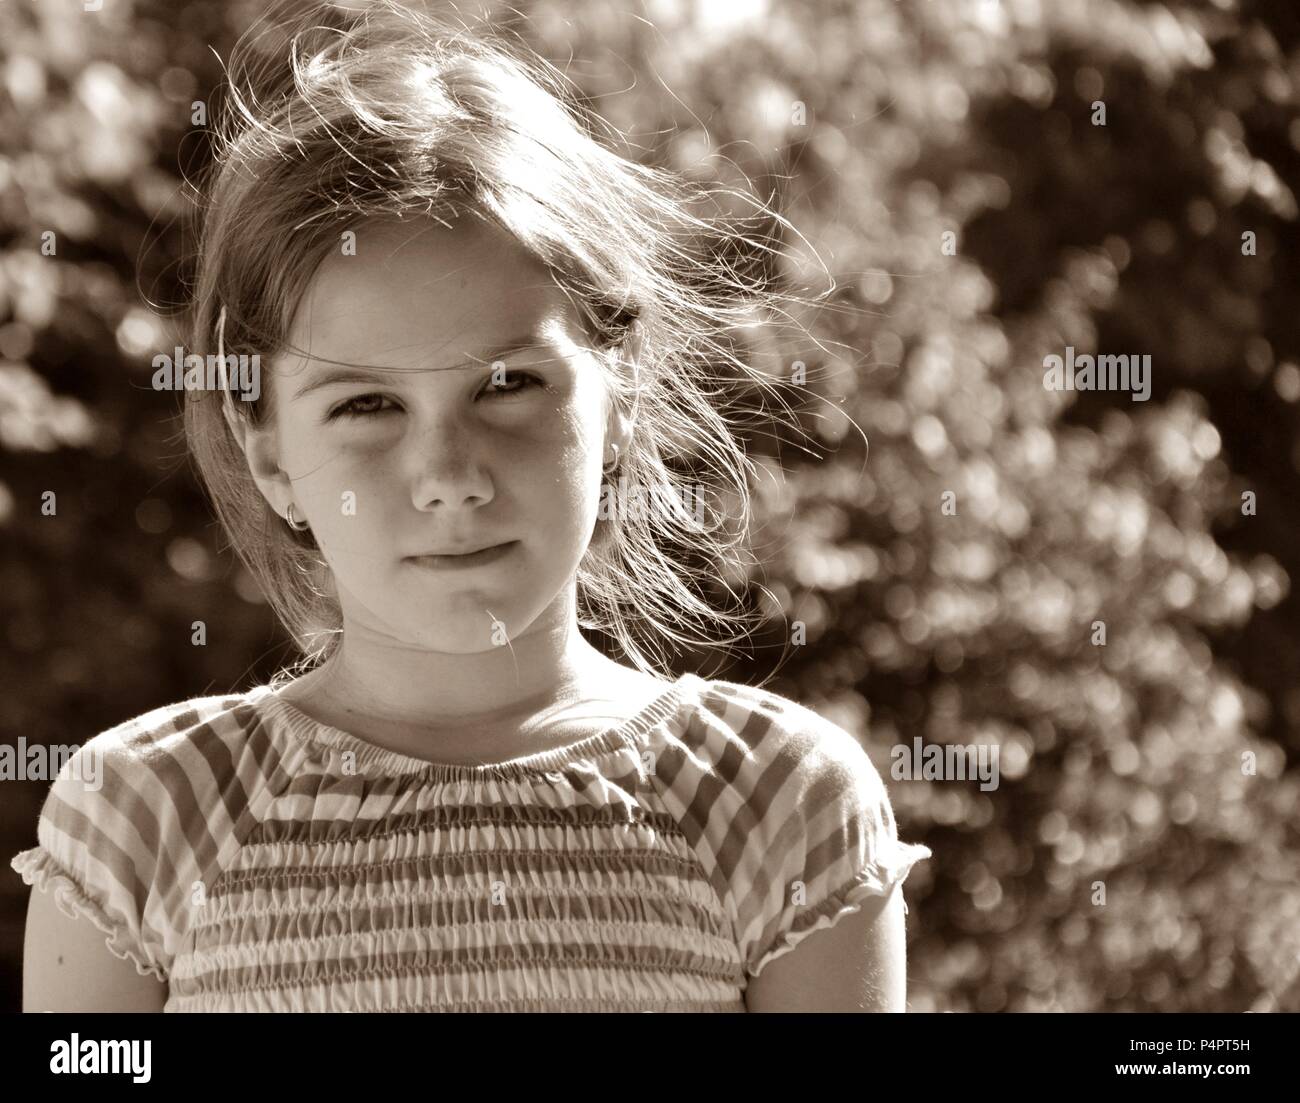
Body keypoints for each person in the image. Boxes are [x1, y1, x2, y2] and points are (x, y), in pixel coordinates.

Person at [12, 0, 930, 1012]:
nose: (449, 472)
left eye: (506, 386)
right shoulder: (142, 820)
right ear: (265, 447)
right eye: (367, 404)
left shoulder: (780, 805)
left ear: (617, 394)